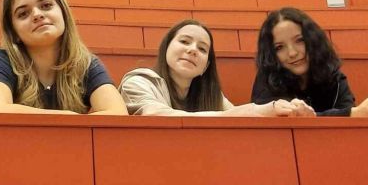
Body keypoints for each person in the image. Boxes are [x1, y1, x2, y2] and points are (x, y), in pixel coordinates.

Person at [0, 0, 127, 114]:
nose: (37, 14)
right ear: (13, 32)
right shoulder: (2, 59)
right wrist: (67, 118)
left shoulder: (86, 63)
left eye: (46, 5)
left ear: (63, 13)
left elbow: (118, 113)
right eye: (23, 14)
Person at [120, 19, 308, 116]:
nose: (193, 50)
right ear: (165, 49)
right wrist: (257, 110)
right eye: (184, 41)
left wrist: (290, 110)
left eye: (202, 49)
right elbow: (156, 115)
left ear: (205, 66)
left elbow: (239, 118)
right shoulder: (139, 82)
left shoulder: (211, 94)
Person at [252, 7, 368, 117]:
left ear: (313, 40)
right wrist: (352, 113)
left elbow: (349, 118)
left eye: (300, 40)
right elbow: (284, 122)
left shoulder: (333, 75)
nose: (292, 53)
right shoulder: (268, 79)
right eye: (279, 47)